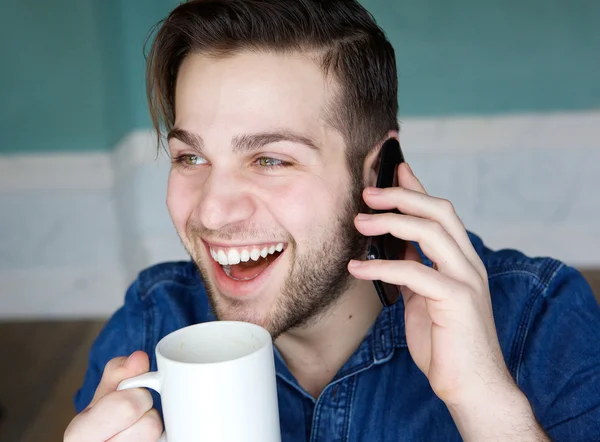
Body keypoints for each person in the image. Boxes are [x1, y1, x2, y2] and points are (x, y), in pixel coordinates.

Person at [64, 0, 600, 440]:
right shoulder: (151, 321)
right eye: (191, 158)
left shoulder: (538, 317)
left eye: (271, 160)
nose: (210, 210)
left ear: (377, 172)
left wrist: (484, 401)